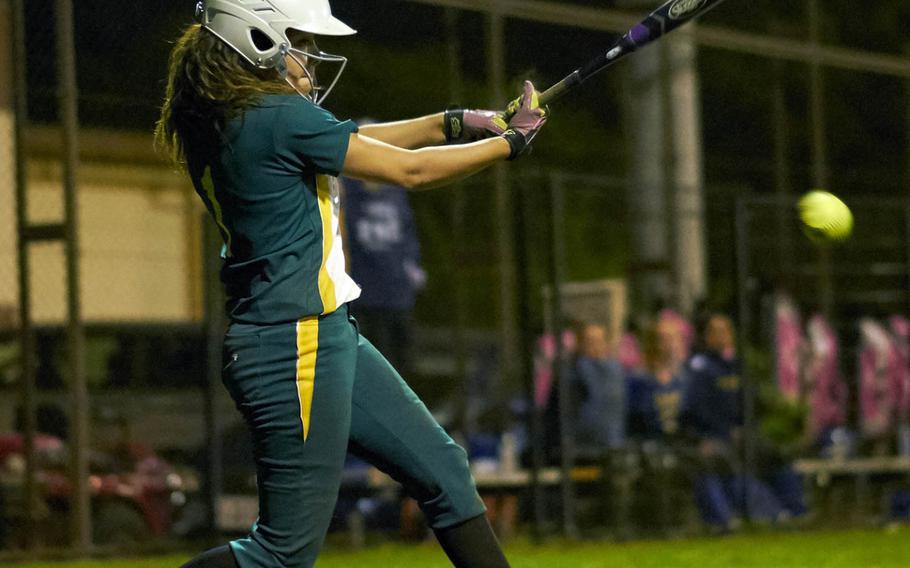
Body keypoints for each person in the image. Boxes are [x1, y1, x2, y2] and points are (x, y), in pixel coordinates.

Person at [155, 1, 547, 567]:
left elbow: (356, 141)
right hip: (295, 346)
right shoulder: (276, 115)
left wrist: (453, 122)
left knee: (443, 471)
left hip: (318, 334)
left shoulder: (239, 115)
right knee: (281, 555)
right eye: (297, 39)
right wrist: (508, 144)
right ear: (257, 39)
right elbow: (407, 171)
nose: (307, 54)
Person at [684, 313, 805, 531]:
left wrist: (746, 428)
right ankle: (733, 518)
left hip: (743, 434)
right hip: (714, 437)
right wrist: (721, 432)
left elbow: (752, 402)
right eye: (716, 332)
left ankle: (795, 511)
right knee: (720, 462)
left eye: (725, 332)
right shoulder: (700, 369)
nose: (721, 337)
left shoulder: (739, 367)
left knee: (777, 455)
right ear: (707, 337)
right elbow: (696, 409)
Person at [341, 159, 425, 374]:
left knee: (401, 358)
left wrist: (412, 264)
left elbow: (407, 231)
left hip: (395, 290)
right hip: (360, 292)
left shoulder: (395, 192)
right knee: (367, 359)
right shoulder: (345, 192)